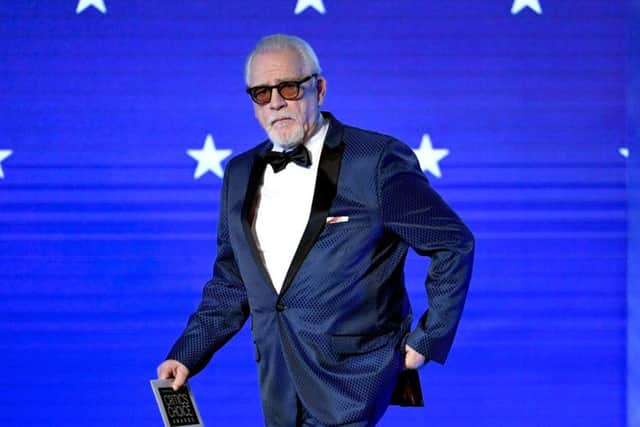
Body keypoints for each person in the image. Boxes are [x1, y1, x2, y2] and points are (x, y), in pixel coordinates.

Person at [158, 34, 474, 427]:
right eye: (260, 93)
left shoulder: (375, 160)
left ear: (319, 89)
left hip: (353, 379)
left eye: (289, 87)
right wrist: (187, 354)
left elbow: (452, 242)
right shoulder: (238, 173)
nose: (275, 101)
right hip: (277, 381)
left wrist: (427, 338)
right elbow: (231, 282)